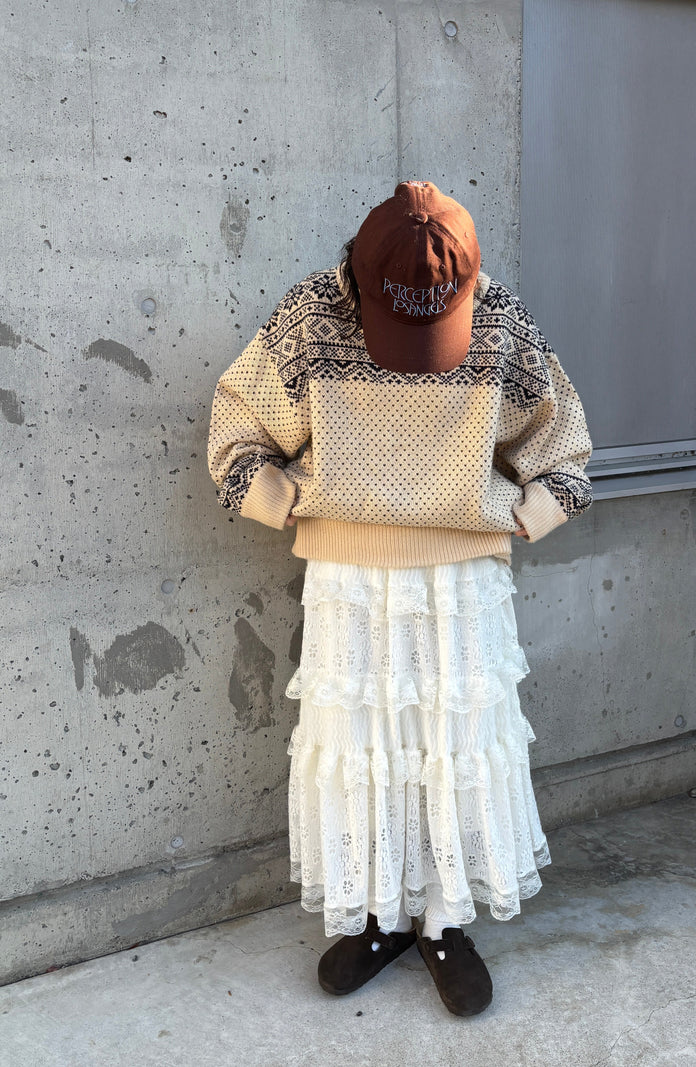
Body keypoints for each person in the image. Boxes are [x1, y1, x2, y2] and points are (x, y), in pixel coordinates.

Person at [207, 180, 592, 1016]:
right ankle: (381, 915)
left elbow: (564, 445)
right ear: (359, 277)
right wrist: (282, 500)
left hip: (462, 582)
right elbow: (237, 427)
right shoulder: (314, 315)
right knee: (365, 747)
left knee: (453, 748)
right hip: (347, 578)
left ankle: (445, 922)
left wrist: (527, 513)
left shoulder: (497, 319)